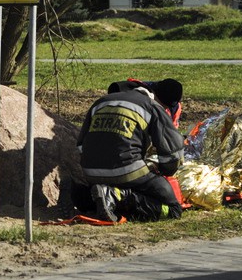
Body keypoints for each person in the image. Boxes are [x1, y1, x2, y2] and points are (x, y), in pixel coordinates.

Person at [75, 78, 185, 222]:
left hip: (90, 171)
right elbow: (173, 152)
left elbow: (81, 145)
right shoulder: (152, 106)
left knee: (123, 182)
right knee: (173, 210)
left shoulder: (101, 102)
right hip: (127, 171)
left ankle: (80, 194)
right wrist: (164, 170)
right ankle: (118, 196)